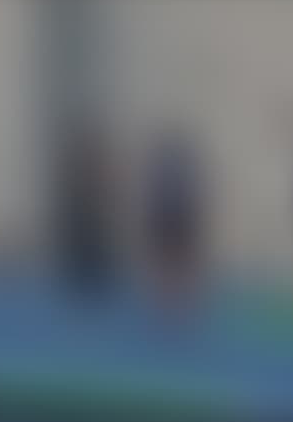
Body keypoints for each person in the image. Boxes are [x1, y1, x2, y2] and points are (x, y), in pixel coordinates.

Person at [139, 126, 214, 320]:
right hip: (170, 218)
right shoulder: (169, 173)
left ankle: (176, 303)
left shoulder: (171, 173)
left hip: (176, 218)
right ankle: (171, 303)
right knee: (170, 262)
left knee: (176, 262)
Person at [49, 118, 121, 304]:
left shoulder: (100, 163)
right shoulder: (75, 165)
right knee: (83, 248)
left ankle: (96, 279)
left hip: (95, 219)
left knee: (96, 248)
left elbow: (106, 190)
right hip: (83, 218)